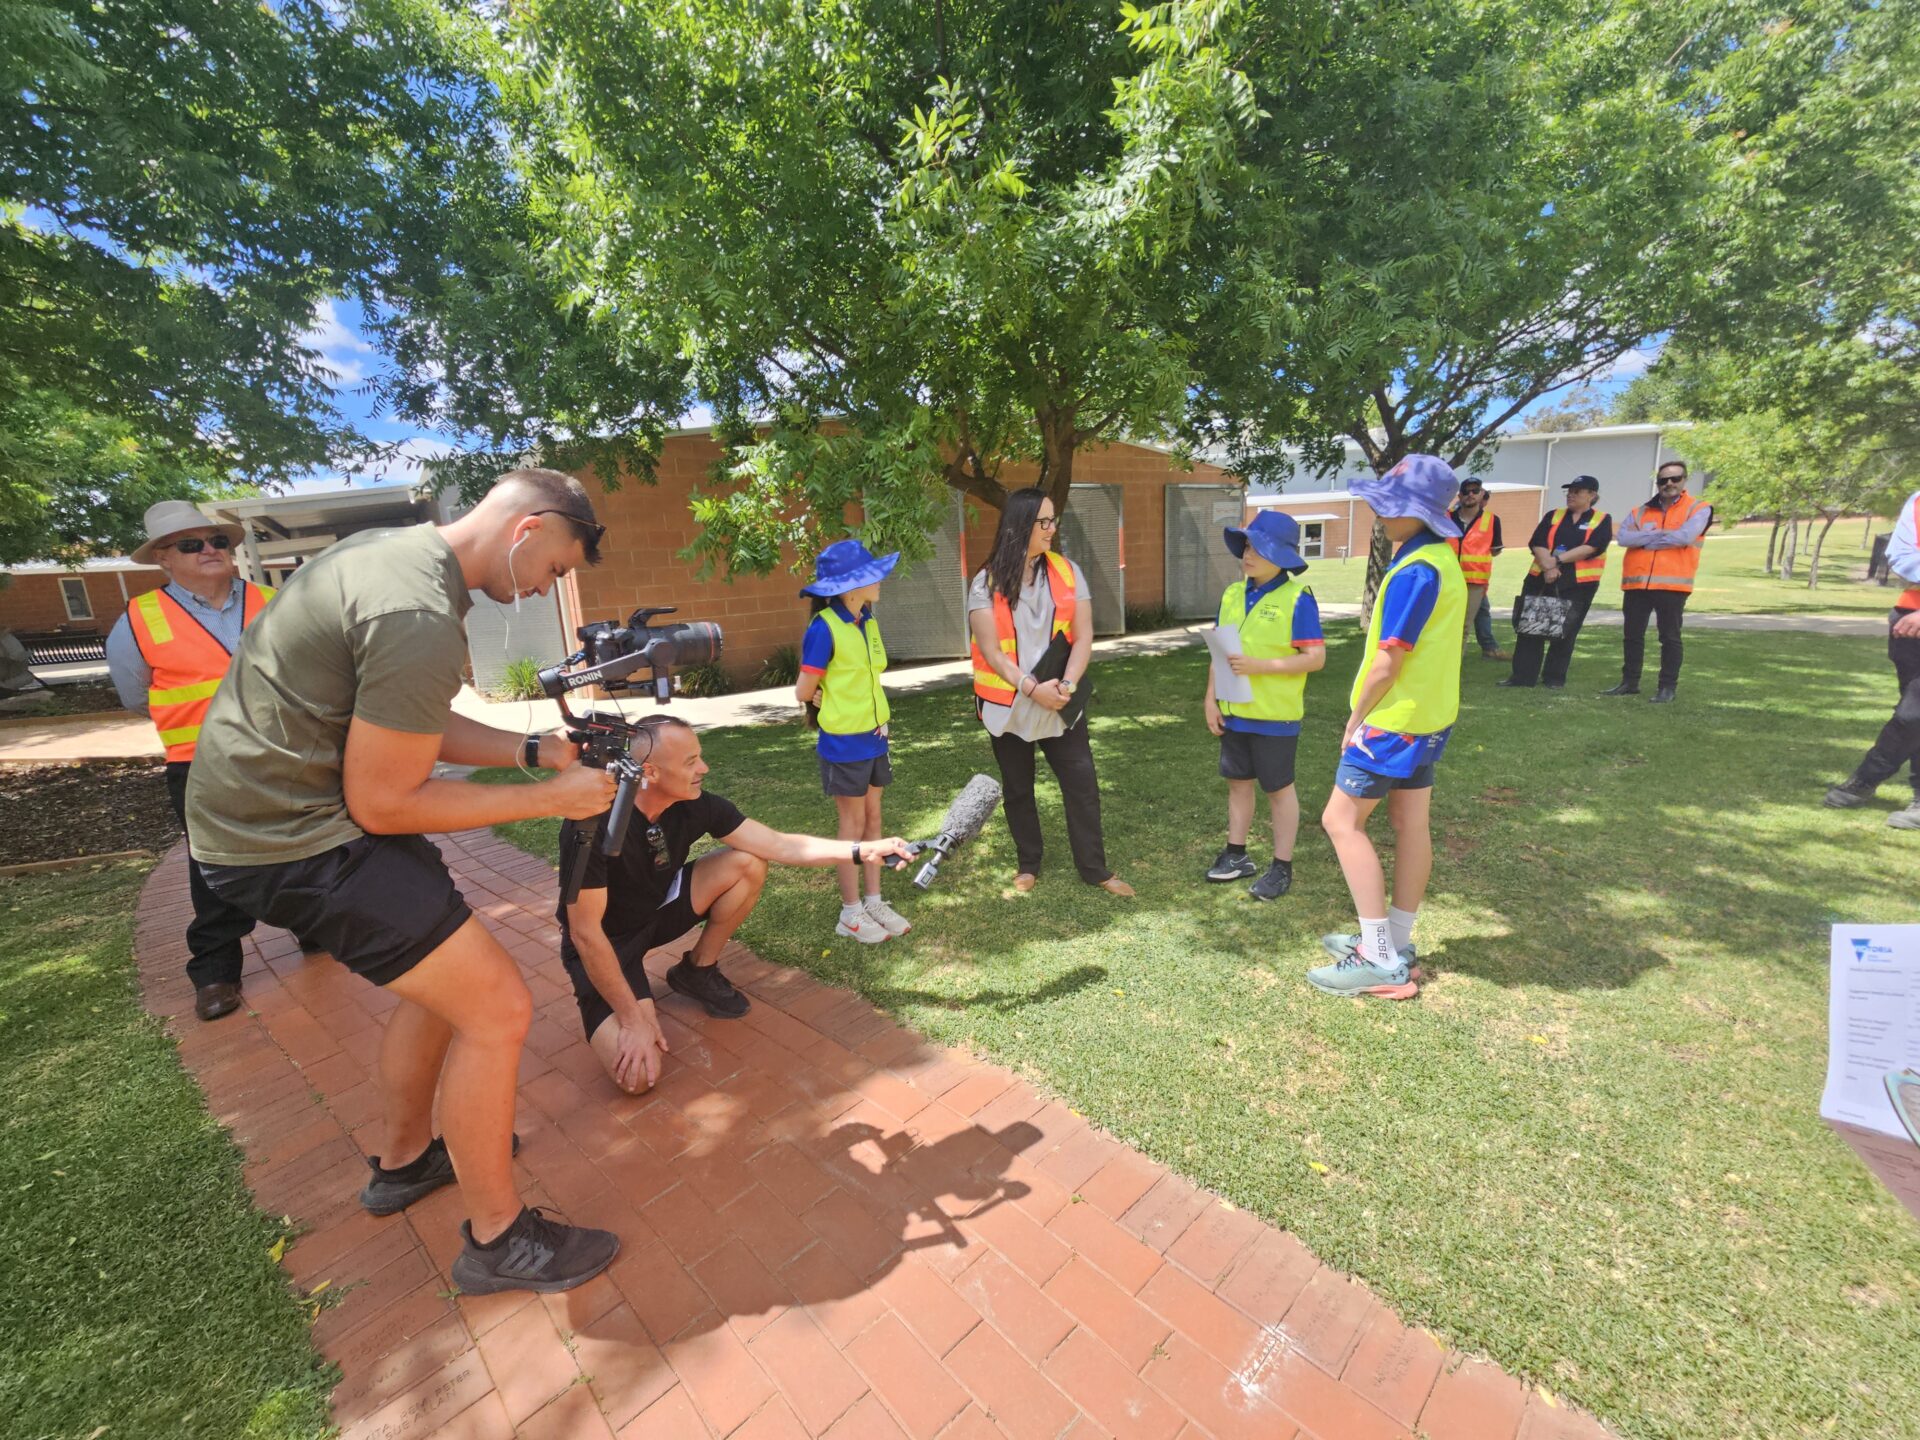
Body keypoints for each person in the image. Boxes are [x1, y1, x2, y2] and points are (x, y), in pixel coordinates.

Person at [187, 468, 624, 1296]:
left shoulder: (390, 558)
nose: (544, 592)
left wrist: (529, 751)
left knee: (440, 989)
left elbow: (407, 716)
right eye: (558, 571)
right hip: (292, 839)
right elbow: (386, 800)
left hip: (280, 819)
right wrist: (549, 799)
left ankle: (404, 1163)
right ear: (528, 531)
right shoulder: (417, 609)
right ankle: (497, 1241)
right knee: (497, 1006)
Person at [559, 715, 917, 1092]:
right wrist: (633, 1020)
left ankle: (697, 970)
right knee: (637, 1079)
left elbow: (781, 845)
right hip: (604, 944)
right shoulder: (593, 822)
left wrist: (863, 850)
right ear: (649, 771)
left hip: (657, 913)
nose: (704, 768)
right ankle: (627, 1002)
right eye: (690, 761)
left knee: (747, 863)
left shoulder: (695, 804)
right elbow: (584, 934)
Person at [105, 502, 276, 1021]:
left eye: (218, 541)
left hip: (283, 752)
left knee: (309, 844)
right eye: (190, 544)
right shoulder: (139, 619)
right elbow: (135, 695)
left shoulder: (274, 601)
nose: (209, 550)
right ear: (163, 557)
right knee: (215, 868)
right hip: (200, 764)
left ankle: (315, 931)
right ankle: (216, 973)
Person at [1308, 455, 1466, 999]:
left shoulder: (1415, 570)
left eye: (1389, 505)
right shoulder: (1441, 560)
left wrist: (1355, 719)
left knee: (1339, 820)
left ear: (1417, 513)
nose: (1378, 513)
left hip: (1393, 721)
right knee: (1410, 821)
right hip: (1429, 718)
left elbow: (1387, 661)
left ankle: (1377, 956)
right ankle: (1395, 940)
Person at [968, 488, 1133, 897]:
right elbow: (991, 650)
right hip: (1010, 704)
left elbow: (1083, 635)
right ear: (1020, 525)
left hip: (1059, 700)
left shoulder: (1067, 571)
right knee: (1018, 787)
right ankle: (1028, 863)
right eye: (1044, 521)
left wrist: (1068, 684)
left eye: (1053, 519)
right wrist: (1030, 688)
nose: (1052, 528)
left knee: (1082, 783)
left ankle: (1095, 869)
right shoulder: (984, 582)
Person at [793, 539, 913, 943]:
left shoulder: (868, 621)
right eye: (870, 575)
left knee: (875, 821)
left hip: (876, 737)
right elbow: (802, 689)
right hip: (844, 743)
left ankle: (874, 900)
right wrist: (819, 697)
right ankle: (850, 913)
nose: (879, 581)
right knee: (853, 825)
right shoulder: (823, 628)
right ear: (849, 586)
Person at [1202, 511, 1325, 900]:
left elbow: (1315, 657)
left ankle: (1281, 867)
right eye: (1247, 546)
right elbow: (1220, 652)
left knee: (1278, 789)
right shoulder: (1232, 594)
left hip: (1275, 717)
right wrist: (1210, 699)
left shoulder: (1297, 598)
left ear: (1282, 555)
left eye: (1259, 547)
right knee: (1238, 784)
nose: (1248, 554)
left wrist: (1261, 666)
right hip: (1235, 712)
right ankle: (1236, 855)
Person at [1825, 488, 1920, 829]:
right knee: (1914, 713)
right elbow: (1903, 558)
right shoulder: (1919, 500)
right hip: (1909, 621)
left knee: (1914, 713)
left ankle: (1866, 778)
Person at [1603, 459, 1712, 704]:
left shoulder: (1698, 508)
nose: (1669, 484)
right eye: (1664, 480)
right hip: (1637, 584)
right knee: (1632, 635)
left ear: (1684, 480)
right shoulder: (1640, 511)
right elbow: (1623, 538)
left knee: (1669, 637)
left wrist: (1644, 539)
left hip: (1672, 585)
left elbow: (1685, 536)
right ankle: (1629, 682)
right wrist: (1658, 536)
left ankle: (1667, 687)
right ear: (1658, 483)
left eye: (1675, 479)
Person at [1499, 476, 1612, 690]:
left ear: (1592, 495)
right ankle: (1522, 677)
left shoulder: (1602, 519)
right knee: (1530, 627)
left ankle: (1554, 678)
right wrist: (1548, 566)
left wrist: (1558, 560)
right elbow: (1537, 542)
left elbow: (1594, 546)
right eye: (1569, 490)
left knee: (1565, 631)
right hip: (1540, 579)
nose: (1571, 494)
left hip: (1578, 584)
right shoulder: (1554, 515)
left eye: (1577, 491)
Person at [1447, 478, 1509, 661]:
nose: (1470, 495)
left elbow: (1495, 549)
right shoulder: (1446, 517)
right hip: (1447, 578)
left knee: (1463, 626)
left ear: (1482, 494)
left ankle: (1453, 665)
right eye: (1466, 491)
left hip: (1474, 582)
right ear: (1459, 496)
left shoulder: (1492, 520)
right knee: (1444, 622)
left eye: (1475, 491)